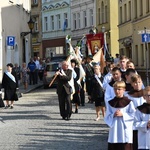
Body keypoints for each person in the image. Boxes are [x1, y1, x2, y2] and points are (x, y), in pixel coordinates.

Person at [104, 81, 136, 150]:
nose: (117, 91)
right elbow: (107, 117)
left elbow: (134, 115)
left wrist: (123, 114)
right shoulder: (110, 103)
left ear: (124, 90)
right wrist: (113, 115)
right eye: (115, 89)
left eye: (119, 89)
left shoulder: (129, 102)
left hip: (124, 130)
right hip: (114, 130)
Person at [125, 74, 146, 150]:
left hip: (144, 121)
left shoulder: (146, 94)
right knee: (134, 142)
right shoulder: (128, 95)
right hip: (133, 122)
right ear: (132, 84)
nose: (138, 84)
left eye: (139, 82)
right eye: (135, 83)